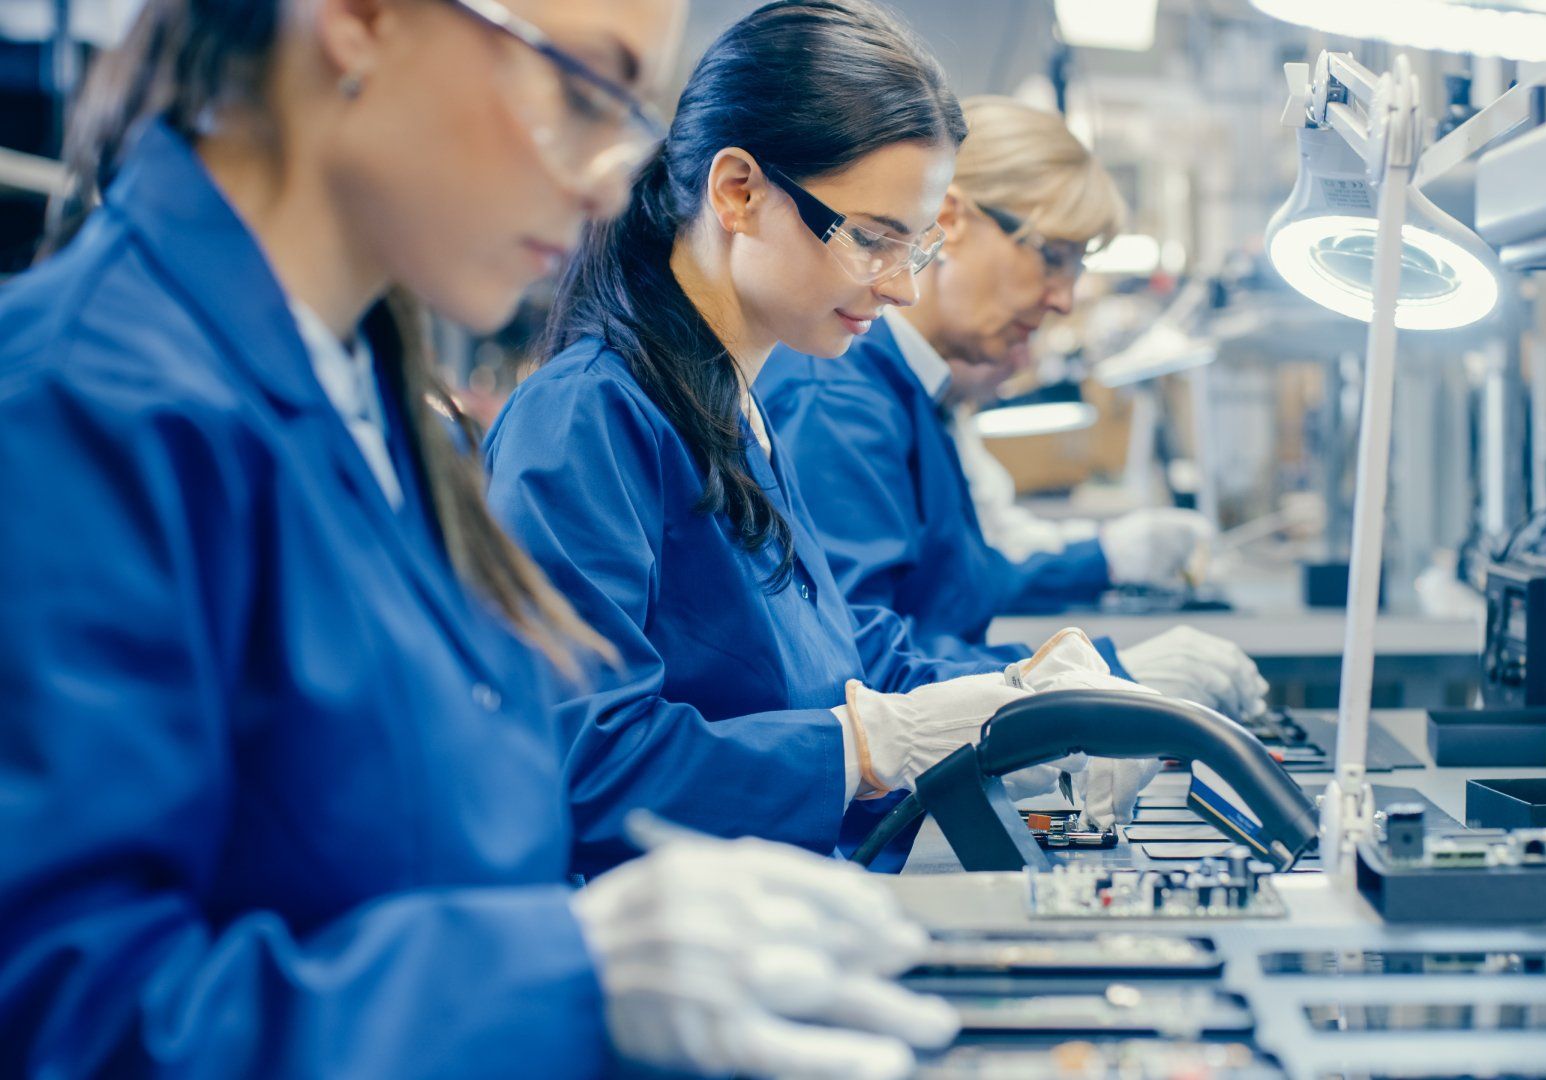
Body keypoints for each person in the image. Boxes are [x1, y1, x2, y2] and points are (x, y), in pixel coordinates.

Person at [0, 1, 959, 1076]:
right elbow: (60, 1021)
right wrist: (560, 972)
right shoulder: (77, 405)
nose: (610, 175)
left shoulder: (359, 386)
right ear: (361, 20)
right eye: (583, 87)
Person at [486, 0, 1164, 869]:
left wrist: (1016, 695)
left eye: (914, 249)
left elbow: (834, 655)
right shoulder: (585, 419)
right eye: (873, 240)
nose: (902, 289)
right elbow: (586, 762)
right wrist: (862, 748)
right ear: (737, 192)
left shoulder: (733, 410)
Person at [757, 96, 1270, 720]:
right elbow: (862, 668)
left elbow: (959, 587)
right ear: (952, 222)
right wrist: (1090, 678)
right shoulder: (837, 396)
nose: (1064, 298)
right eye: (1052, 256)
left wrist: (1101, 568)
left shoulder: (911, 396)